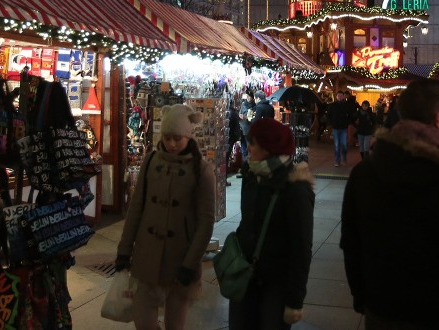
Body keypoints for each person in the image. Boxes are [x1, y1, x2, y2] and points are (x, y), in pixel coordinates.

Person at [341, 78, 439, 329]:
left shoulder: (365, 173)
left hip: (381, 302)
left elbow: (351, 241)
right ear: (438, 118)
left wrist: (361, 295)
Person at [115, 104, 216, 330]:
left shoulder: (202, 169)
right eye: (168, 137)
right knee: (143, 322)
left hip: (179, 258)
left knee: (175, 324)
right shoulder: (151, 162)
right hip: (146, 255)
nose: (171, 144)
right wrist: (124, 250)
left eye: (177, 139)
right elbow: (136, 209)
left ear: (188, 137)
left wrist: (190, 264)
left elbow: (205, 221)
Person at [229, 118, 315, 329]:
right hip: (245, 277)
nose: (248, 147)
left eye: (254, 143)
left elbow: (301, 248)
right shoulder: (251, 175)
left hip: (276, 284)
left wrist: (295, 300)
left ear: (270, 146)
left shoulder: (295, 188)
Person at [326, 90, 354, 167]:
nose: (340, 97)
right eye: (338, 96)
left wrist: (348, 122)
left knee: (344, 144)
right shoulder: (332, 105)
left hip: (343, 127)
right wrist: (331, 123)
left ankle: (344, 158)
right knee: (337, 145)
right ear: (336, 96)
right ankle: (337, 160)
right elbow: (328, 115)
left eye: (341, 96)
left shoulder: (346, 105)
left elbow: (350, 114)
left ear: (343, 96)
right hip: (335, 127)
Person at [238, 92, 254, 161]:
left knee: (248, 147)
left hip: (249, 130)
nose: (248, 98)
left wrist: (247, 117)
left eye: (250, 96)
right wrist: (240, 116)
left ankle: (248, 164)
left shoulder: (255, 106)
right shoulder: (243, 104)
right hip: (242, 128)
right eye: (247, 96)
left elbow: (252, 118)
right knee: (243, 148)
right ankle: (244, 163)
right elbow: (240, 113)